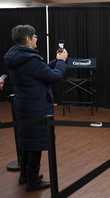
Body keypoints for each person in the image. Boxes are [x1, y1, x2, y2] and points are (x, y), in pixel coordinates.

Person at [4, 24, 68, 191]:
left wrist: (56, 60)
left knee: (27, 141)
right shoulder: (29, 59)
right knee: (35, 144)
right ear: (28, 39)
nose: (37, 38)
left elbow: (42, 71)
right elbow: (54, 76)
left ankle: (25, 175)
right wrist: (61, 62)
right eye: (35, 36)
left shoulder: (17, 56)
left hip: (24, 105)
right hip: (36, 107)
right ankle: (33, 182)